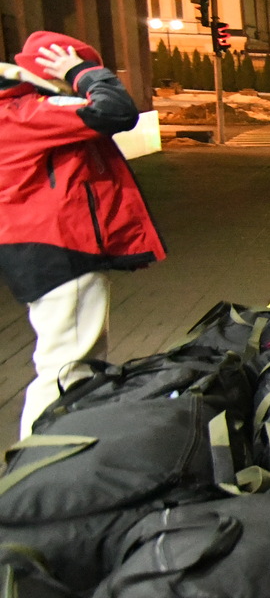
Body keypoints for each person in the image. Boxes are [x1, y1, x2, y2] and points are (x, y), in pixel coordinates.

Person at [1, 32, 166, 436]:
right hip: (59, 246)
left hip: (42, 246)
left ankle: (56, 451)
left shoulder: (19, 111)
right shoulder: (30, 111)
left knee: (69, 358)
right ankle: (46, 458)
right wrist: (84, 72)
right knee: (68, 366)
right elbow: (116, 111)